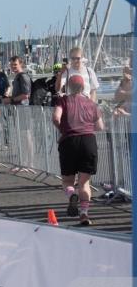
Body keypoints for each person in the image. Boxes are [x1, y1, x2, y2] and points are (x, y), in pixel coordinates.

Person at [52, 74, 104, 226]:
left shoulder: (63, 100)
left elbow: (56, 117)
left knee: (68, 180)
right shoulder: (91, 103)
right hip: (88, 141)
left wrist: (63, 129)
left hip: (69, 141)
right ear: (83, 87)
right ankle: (84, 214)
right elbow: (100, 126)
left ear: (68, 87)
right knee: (85, 182)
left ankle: (71, 193)